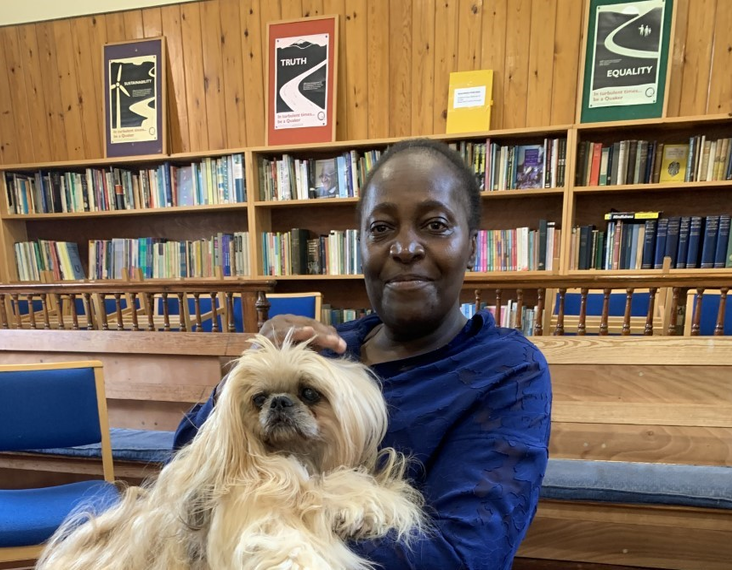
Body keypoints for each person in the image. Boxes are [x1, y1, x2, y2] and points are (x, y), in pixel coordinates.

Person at [174, 138, 552, 569]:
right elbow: (189, 454)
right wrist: (250, 369)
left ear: (471, 244)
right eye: (381, 228)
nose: (404, 247)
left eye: (435, 225)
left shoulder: (506, 371)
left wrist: (271, 528)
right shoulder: (328, 346)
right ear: (361, 247)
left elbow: (464, 557)